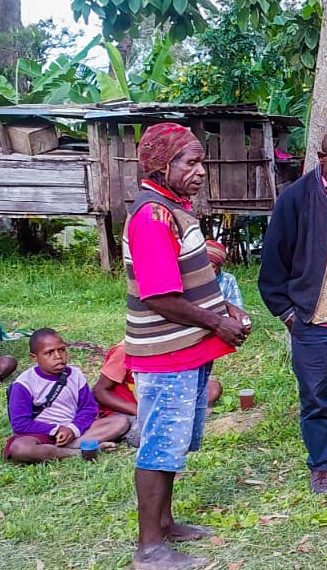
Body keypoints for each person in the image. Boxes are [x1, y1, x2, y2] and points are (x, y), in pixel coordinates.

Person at [124, 122, 251, 570]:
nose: (201, 171)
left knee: (172, 444)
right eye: (190, 162)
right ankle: (150, 548)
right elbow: (160, 294)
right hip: (166, 354)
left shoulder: (173, 208)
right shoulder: (153, 216)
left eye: (201, 161)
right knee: (159, 446)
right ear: (162, 165)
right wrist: (217, 322)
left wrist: (226, 309)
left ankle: (166, 524)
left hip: (185, 349)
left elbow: (190, 281)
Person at [258, 125, 327, 495]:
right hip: (313, 319)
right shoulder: (296, 199)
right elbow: (273, 263)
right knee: (314, 400)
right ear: (323, 159)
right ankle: (323, 465)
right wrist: (289, 314)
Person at [3, 329, 128, 463]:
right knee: (20, 448)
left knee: (120, 422)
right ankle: (77, 452)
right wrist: (56, 430)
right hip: (40, 435)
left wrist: (72, 429)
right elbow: (20, 424)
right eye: (49, 353)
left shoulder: (75, 375)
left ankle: (60, 449)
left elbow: (89, 409)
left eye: (62, 350)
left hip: (75, 432)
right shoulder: (24, 383)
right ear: (34, 357)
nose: (58, 356)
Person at [92, 342, 223, 448]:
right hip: (128, 411)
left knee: (213, 387)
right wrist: (136, 410)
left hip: (162, 402)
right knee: (165, 435)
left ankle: (180, 413)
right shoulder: (125, 350)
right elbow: (100, 391)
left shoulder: (171, 346)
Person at [206, 240, 243, 308]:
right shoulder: (195, 278)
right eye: (205, 266)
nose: (208, 270)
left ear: (220, 265)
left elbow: (237, 307)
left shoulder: (228, 280)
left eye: (213, 267)